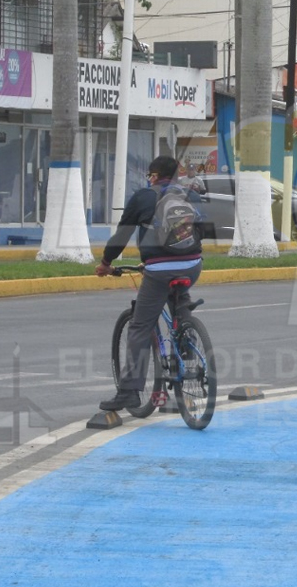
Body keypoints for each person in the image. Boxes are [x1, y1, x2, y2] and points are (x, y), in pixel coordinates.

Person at [95, 156, 205, 411]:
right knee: (179, 291)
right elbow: (199, 233)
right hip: (192, 264)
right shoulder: (192, 196)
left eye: (149, 175)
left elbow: (121, 236)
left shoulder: (142, 197)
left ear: (154, 175)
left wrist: (105, 263)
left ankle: (130, 392)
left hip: (159, 269)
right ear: (176, 176)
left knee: (140, 327)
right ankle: (185, 331)